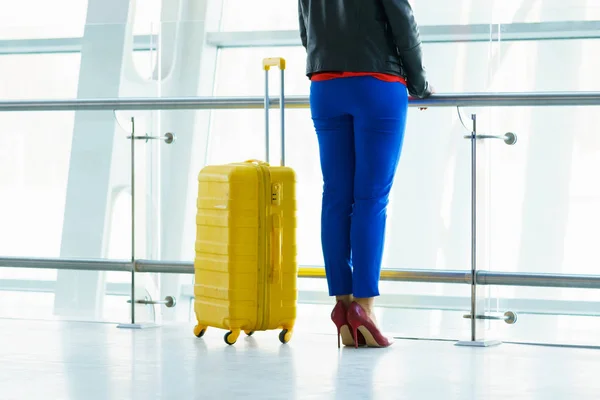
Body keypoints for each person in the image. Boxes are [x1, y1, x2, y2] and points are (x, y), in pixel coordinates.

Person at [298, 0, 433, 348]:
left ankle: (342, 306)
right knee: (371, 199)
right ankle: (365, 308)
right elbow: (402, 20)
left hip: (325, 85)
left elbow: (305, 28)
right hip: (377, 82)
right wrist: (417, 82)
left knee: (336, 197)